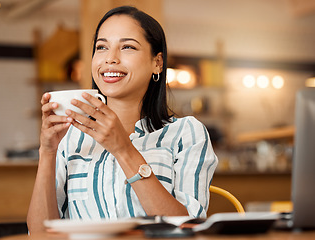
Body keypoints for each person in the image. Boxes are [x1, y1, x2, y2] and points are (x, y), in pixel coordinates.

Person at [27, 5, 218, 233]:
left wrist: (124, 150)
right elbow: (39, 233)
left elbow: (188, 227)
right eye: (101, 47)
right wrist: (47, 152)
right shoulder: (71, 137)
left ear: (157, 62)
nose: (110, 58)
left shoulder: (187, 133)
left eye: (127, 47)